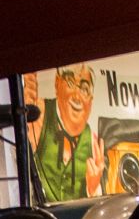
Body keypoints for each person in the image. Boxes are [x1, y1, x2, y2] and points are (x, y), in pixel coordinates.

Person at [33, 65, 103, 201]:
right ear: (57, 83)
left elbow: (97, 203)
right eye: (70, 83)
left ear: (91, 101)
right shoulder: (39, 116)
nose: (77, 97)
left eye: (84, 89)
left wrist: (92, 188)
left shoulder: (93, 142)